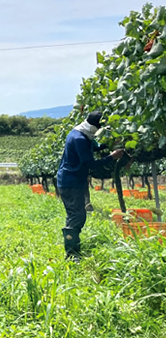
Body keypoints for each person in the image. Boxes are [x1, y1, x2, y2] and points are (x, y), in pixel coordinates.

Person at [57, 111, 124, 261]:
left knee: (77, 215)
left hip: (73, 180)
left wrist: (109, 145)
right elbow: (91, 164)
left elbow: (94, 147)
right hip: (70, 181)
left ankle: (74, 250)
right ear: (95, 127)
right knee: (77, 215)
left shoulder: (80, 132)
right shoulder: (79, 139)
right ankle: (71, 254)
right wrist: (112, 157)